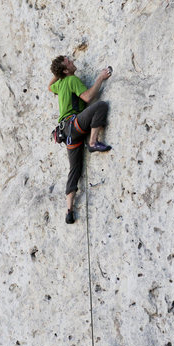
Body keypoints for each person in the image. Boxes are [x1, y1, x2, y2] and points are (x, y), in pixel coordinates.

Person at [49, 55, 112, 224]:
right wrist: (100, 78)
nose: (72, 61)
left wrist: (58, 72)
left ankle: (69, 210)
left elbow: (49, 86)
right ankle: (93, 142)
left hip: (67, 134)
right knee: (101, 106)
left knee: (74, 169)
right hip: (74, 125)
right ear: (66, 70)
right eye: (68, 62)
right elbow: (88, 97)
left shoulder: (60, 84)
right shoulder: (71, 80)